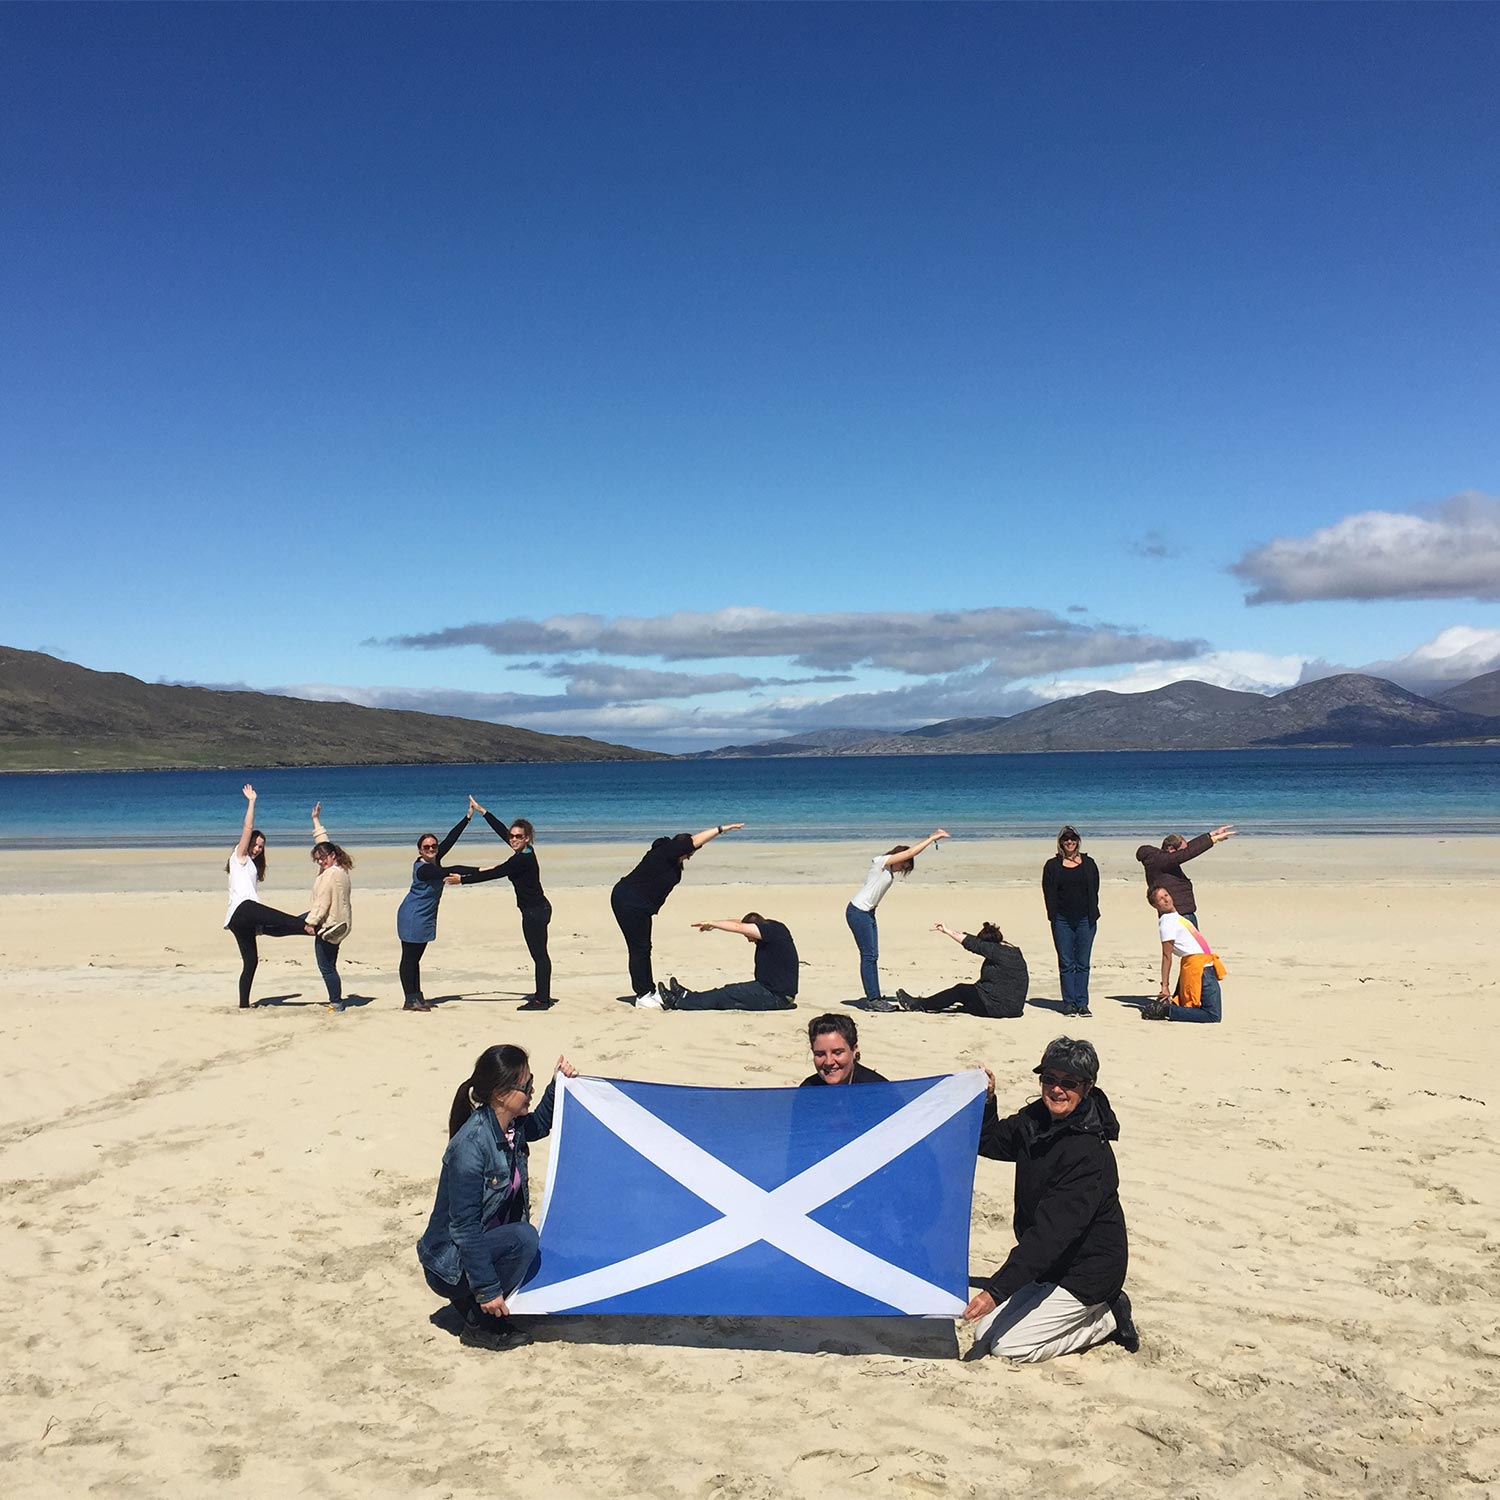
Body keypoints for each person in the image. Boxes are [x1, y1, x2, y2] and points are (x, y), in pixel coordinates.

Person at [965, 1037, 1137, 1363]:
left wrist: (996, 1292)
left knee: (1009, 1348)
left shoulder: (1088, 1153)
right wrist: (987, 1102)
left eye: (1069, 1083)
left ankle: (1108, 1317)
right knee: (983, 1332)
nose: (1057, 1090)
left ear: (1087, 1087)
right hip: (1049, 1267)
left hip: (1088, 1273)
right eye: (1050, 1080)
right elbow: (989, 1142)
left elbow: (1050, 1235)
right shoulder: (1036, 1120)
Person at [416, 1045, 579, 1352]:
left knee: (533, 1249)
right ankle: (481, 1323)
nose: (530, 1091)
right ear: (502, 1094)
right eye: (526, 1086)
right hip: (448, 1266)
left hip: (475, 1250)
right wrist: (489, 1291)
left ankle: (471, 1302)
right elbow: (464, 1229)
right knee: (524, 1238)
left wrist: (558, 1085)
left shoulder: (511, 1127)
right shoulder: (470, 1147)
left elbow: (540, 1124)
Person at [609, 822, 744, 1005]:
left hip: (638, 905)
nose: (689, 858)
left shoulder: (670, 859)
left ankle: (648, 990)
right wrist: (720, 830)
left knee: (644, 947)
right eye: (689, 853)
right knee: (639, 948)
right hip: (628, 901)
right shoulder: (665, 852)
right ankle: (642, 995)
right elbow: (694, 841)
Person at [224, 783, 314, 1010]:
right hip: (243, 910)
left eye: (261, 847)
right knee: (280, 919)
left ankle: (243, 1005)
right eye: (255, 844)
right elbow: (247, 827)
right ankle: (308, 925)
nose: (257, 848)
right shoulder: (239, 856)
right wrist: (252, 802)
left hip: (237, 920)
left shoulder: (250, 866)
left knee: (252, 961)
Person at [462, 798, 553, 1009]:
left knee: (539, 956)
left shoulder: (521, 860)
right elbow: (502, 830)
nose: (513, 839)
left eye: (518, 836)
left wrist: (462, 880)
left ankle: (541, 1000)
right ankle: (542, 996)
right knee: (540, 955)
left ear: (527, 838)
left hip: (535, 912)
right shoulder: (526, 852)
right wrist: (483, 812)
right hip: (538, 909)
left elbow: (495, 873)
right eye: (512, 836)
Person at [846, 828, 950, 1010]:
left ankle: (874, 996)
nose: (903, 869)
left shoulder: (888, 871)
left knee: (872, 955)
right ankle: (873, 999)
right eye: (903, 865)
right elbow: (910, 852)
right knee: (869, 956)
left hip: (868, 913)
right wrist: (932, 838)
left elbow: (908, 855)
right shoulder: (880, 862)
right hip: (858, 912)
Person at [396, 805, 480, 1013]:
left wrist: (468, 817)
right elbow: (453, 870)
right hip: (412, 915)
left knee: (416, 958)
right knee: (410, 958)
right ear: (420, 851)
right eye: (427, 847)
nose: (432, 849)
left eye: (434, 846)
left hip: (425, 916)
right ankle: (410, 1000)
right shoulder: (424, 869)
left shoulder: (435, 859)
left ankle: (417, 997)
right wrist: (482, 870)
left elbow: (451, 839)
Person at [648, 913, 800, 1011]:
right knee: (727, 992)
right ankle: (686, 995)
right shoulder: (773, 928)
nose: (748, 940)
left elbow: (738, 927)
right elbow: (739, 923)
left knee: (726, 994)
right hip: (772, 991)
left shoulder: (771, 932)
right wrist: (713, 925)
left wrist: (712, 922)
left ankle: (677, 1001)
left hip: (776, 997)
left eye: (749, 936)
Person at [894, 921, 1028, 1018]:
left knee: (960, 990)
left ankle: (918, 1005)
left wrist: (946, 930)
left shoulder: (993, 950)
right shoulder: (1010, 950)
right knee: (971, 993)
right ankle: (967, 1006)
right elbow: (975, 941)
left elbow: (972, 943)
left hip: (998, 1007)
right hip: (1014, 1007)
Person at [1041, 825, 1100, 1018]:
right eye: (1065, 839)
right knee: (1066, 963)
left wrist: (1091, 911)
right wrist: (1053, 915)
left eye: (1072, 838)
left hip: (1085, 918)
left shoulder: (1089, 863)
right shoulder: (1052, 865)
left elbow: (1095, 887)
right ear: (1060, 842)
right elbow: (1048, 891)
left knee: (1082, 963)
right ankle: (1068, 1003)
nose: (1069, 842)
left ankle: (1082, 1003)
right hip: (1062, 920)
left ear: (1078, 841)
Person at [1143, 886, 1226, 1023]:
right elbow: (1166, 956)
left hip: (1205, 965)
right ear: (1155, 906)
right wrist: (1165, 985)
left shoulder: (1176, 917)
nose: (1166, 900)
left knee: (1206, 1008)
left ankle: (1171, 1007)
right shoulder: (1167, 923)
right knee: (1213, 1015)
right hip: (1199, 968)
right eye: (1160, 899)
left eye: (1166, 895)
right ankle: (1166, 1010)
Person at [1134, 824, 1237, 926]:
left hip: (1179, 913)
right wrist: (1213, 840)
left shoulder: (1160, 860)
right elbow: (1188, 853)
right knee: (1190, 943)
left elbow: (1188, 849)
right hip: (1179, 915)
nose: (1182, 854)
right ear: (1170, 848)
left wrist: (1210, 835)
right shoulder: (1162, 861)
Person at [306, 802, 354, 1012]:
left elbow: (322, 902)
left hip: (329, 925)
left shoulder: (330, 875)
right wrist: (316, 820)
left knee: (326, 967)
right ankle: (266, 927)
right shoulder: (340, 868)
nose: (320, 862)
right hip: (340, 923)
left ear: (332, 856)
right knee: (330, 963)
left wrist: (311, 922)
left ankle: (336, 1002)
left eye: (322, 858)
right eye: (317, 860)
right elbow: (325, 844)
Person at [798, 1014, 888, 1086]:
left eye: (837, 1053)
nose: (828, 1062)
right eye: (820, 1054)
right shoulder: (808, 1091)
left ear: (854, 1050)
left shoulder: (879, 1090)